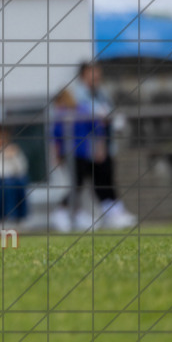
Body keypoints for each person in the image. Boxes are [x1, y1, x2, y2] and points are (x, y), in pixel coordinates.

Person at [51, 63, 136, 230]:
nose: (97, 77)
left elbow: (99, 123)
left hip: (92, 149)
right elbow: (57, 135)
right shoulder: (78, 99)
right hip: (81, 151)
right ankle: (66, 212)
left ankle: (112, 211)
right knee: (80, 183)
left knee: (102, 179)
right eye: (92, 74)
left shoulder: (101, 94)